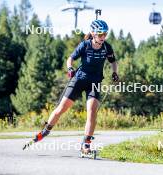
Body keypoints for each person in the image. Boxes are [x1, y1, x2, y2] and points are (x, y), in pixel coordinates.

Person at [33, 19, 119, 154]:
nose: (103, 37)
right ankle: (45, 130)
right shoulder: (85, 45)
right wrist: (70, 68)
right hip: (79, 80)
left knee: (92, 112)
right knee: (61, 108)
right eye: (100, 34)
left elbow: (113, 61)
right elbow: (70, 59)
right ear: (93, 33)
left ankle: (86, 144)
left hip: (94, 83)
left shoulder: (106, 47)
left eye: (105, 34)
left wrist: (115, 72)